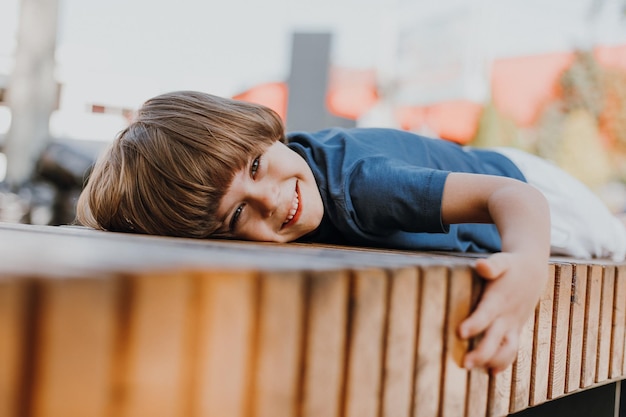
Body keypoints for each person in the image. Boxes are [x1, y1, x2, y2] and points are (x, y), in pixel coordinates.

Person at [76, 90, 626, 374]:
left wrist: (527, 268)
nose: (272, 202)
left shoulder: (358, 184)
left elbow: (514, 199)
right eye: (238, 215)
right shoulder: (294, 194)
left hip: (539, 193)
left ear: (265, 131)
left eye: (255, 166)